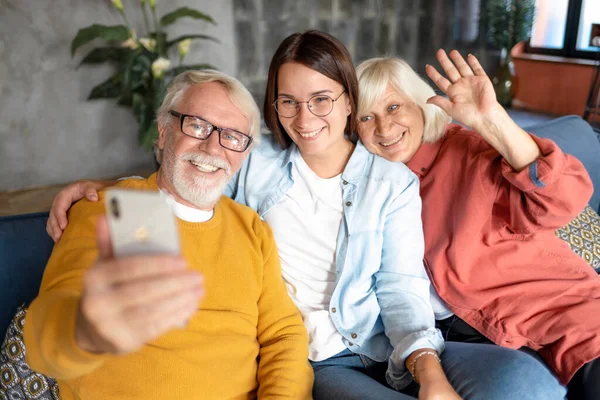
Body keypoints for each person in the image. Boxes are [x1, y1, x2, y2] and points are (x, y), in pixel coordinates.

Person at [45, 31, 566, 400]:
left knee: (527, 385)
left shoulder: (392, 183)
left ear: (346, 100)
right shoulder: (258, 165)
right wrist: (109, 190)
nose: (304, 118)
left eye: (321, 99)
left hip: (391, 340)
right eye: (287, 102)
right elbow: (191, 171)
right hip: (319, 359)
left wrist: (427, 370)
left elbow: (401, 287)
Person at [24, 69, 314, 399]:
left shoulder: (250, 228)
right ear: (163, 133)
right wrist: (86, 331)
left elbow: (283, 334)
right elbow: (47, 332)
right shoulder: (120, 208)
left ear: (244, 154)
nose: (212, 148)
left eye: (232, 136)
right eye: (197, 125)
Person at [355, 50, 600, 399]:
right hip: (473, 336)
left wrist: (491, 120)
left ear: (420, 104)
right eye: (366, 117)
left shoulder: (468, 150)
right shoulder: (366, 186)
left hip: (559, 307)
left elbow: (565, 201)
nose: (383, 127)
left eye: (394, 107)